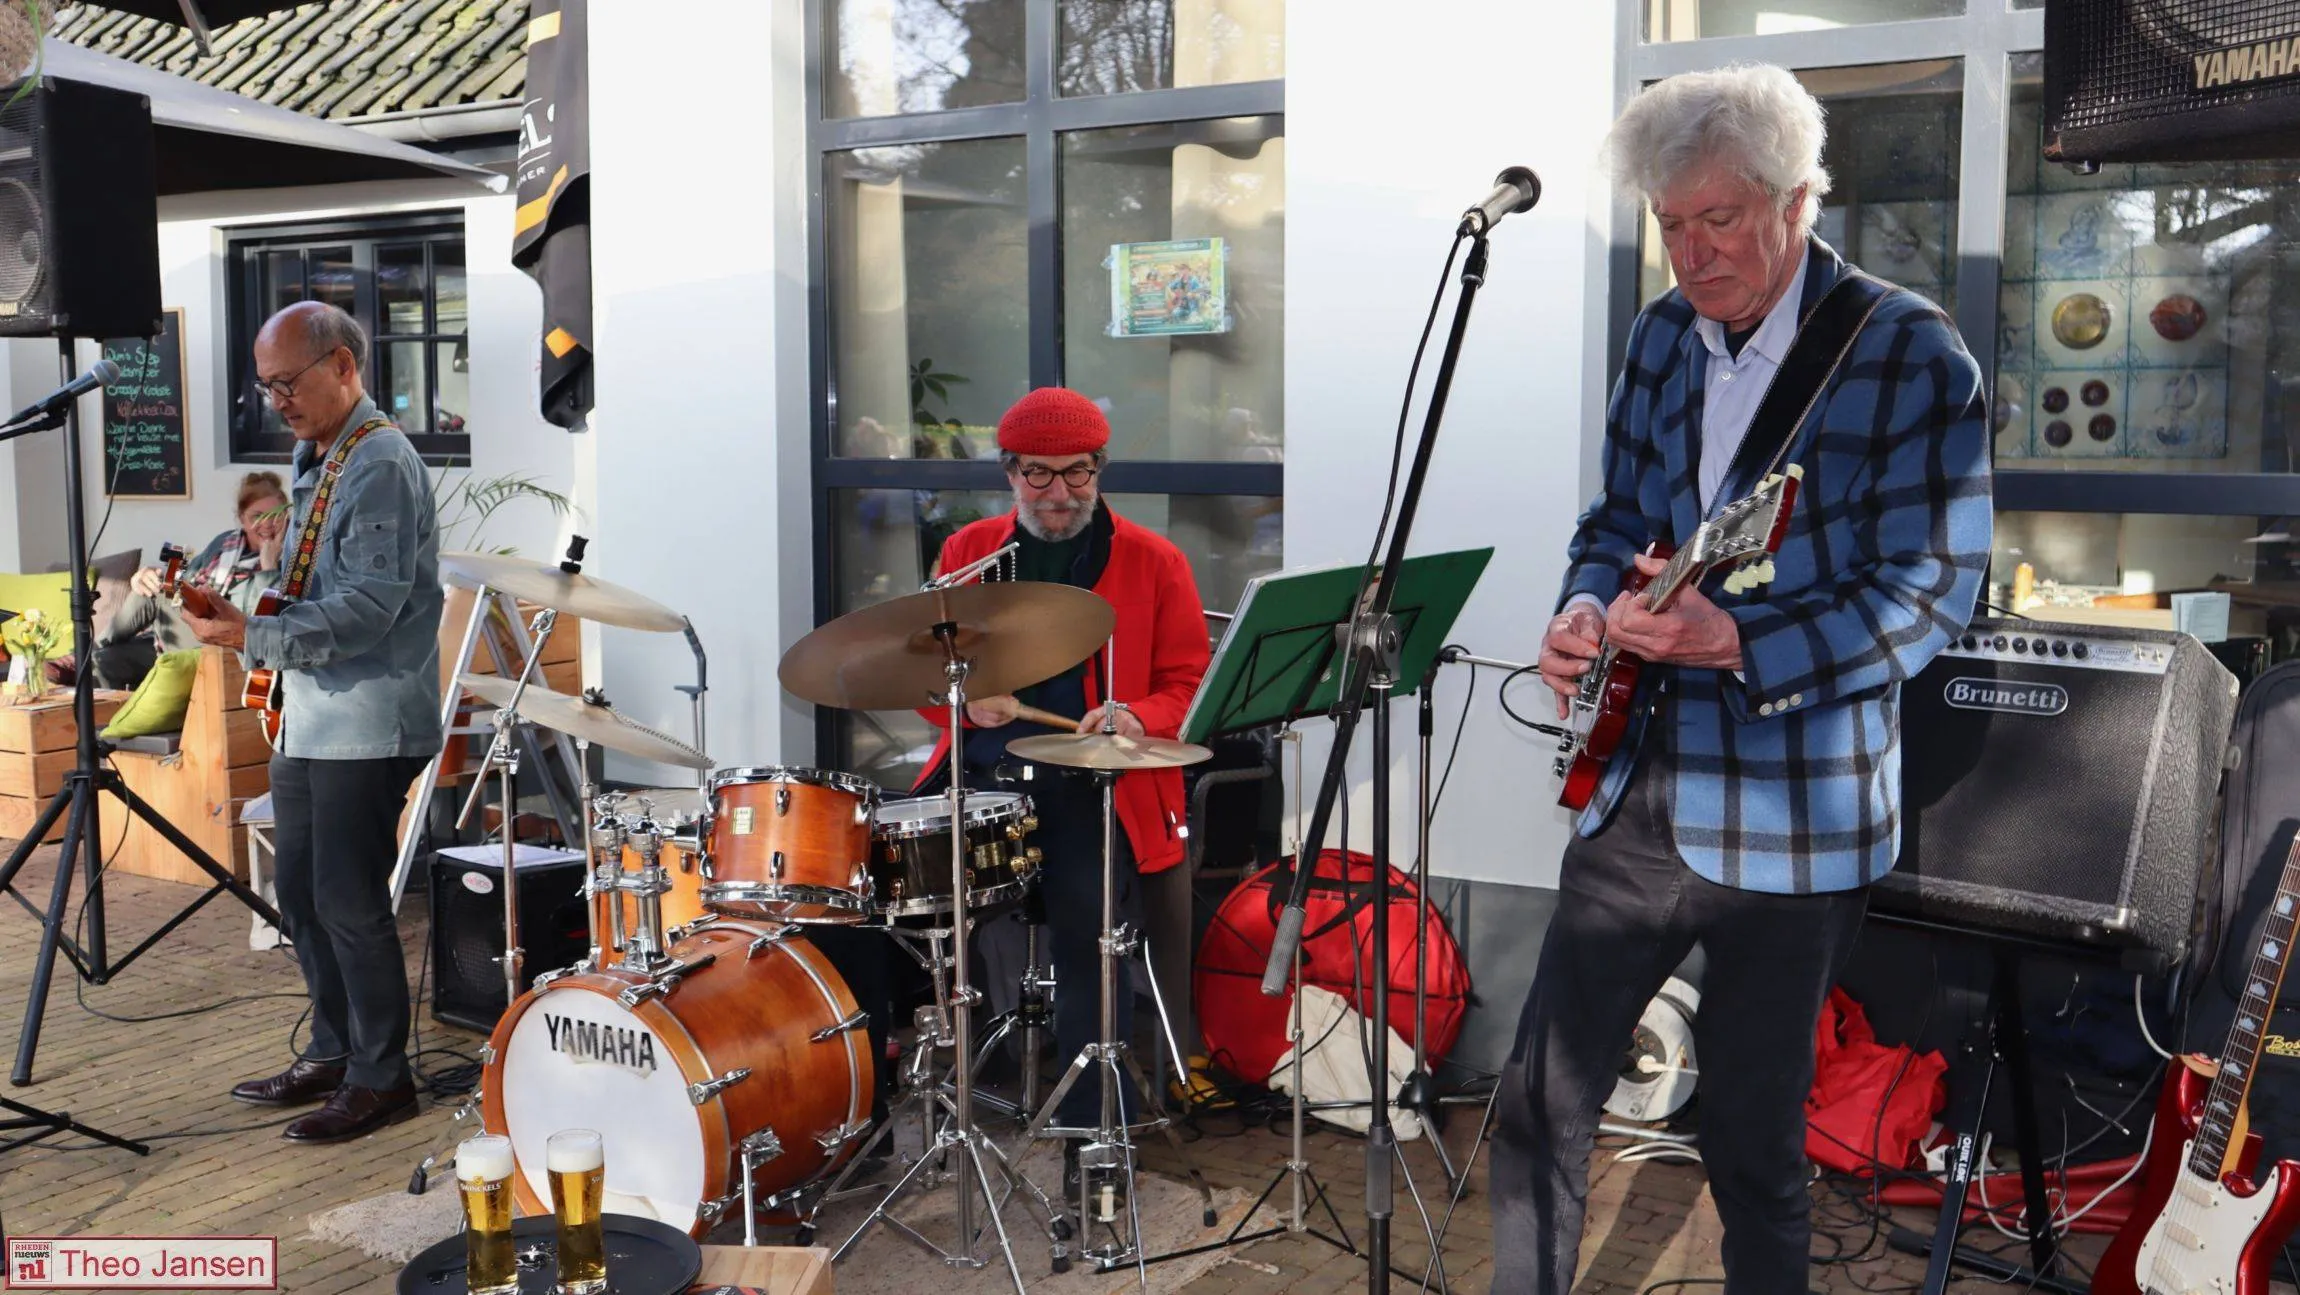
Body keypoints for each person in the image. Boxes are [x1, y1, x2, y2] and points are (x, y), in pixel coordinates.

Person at [1493, 65, 1992, 1295]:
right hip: (1635, 792)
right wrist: (1580, 609)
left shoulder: (1910, 352)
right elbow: (1617, 516)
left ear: (1797, 200)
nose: (1691, 249)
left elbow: (1927, 594)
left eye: (1719, 217)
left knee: (1750, 1144)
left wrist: (1736, 642)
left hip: (1796, 819)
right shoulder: (1660, 335)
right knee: (1533, 1104)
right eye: (1669, 222)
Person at [839, 387, 1208, 1198]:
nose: (1059, 493)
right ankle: (861, 1129)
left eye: (1077, 473)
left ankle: (1090, 1136)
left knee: (1091, 933)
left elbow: (1189, 681)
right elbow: (925, 672)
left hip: (1097, 780)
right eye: (1038, 475)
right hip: (985, 772)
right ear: (1009, 472)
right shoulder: (970, 548)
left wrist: (1131, 713)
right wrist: (960, 698)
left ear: (1100, 468)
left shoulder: (1154, 560)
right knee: (864, 903)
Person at [180, 301, 444, 1145]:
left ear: (341, 365)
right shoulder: (315, 456)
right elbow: (312, 588)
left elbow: (368, 609)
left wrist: (250, 631)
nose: (277, 402)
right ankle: (334, 1051)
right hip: (306, 715)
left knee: (349, 900)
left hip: (366, 723)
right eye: (266, 388)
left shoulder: (381, 463)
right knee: (297, 891)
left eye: (287, 382)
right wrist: (242, 606)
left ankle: (383, 1077)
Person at [88, 472, 288, 690]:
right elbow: (187, 580)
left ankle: (91, 647)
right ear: (241, 518)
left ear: (286, 517)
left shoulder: (293, 557)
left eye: (274, 516)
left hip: (227, 648)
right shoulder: (225, 543)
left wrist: (268, 567)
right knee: (103, 661)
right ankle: (91, 654)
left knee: (160, 588)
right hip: (185, 636)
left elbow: (266, 620)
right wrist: (144, 575)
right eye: (256, 516)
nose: (266, 524)